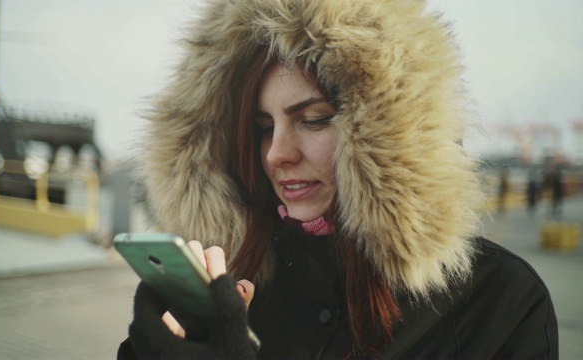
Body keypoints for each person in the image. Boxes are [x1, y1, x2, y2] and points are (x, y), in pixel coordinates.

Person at [118, 0, 558, 358]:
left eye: (313, 120)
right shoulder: (235, 284)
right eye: (263, 126)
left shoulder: (501, 302)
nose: (276, 154)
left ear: (392, 133)